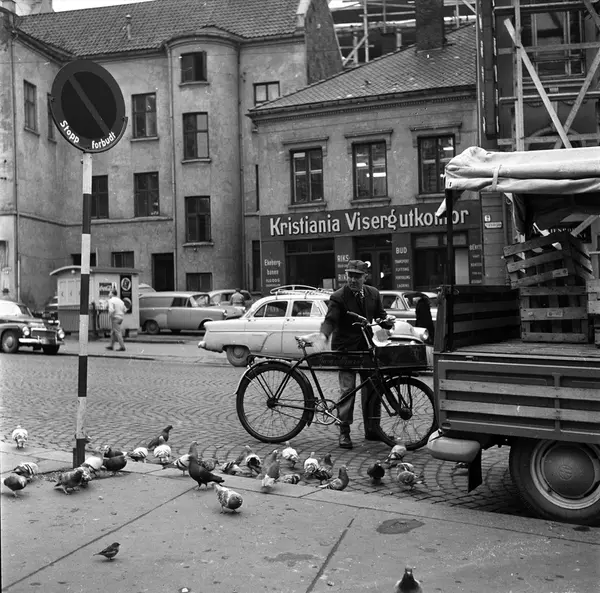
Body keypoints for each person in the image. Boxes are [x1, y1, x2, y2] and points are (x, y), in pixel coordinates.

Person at [317, 260, 395, 449]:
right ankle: (344, 432)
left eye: (357, 276)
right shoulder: (338, 296)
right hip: (346, 350)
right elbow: (331, 320)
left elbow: (380, 315)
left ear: (365, 277)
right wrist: (323, 334)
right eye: (350, 275)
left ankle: (372, 429)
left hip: (366, 348)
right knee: (348, 390)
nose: (352, 280)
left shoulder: (373, 293)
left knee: (373, 388)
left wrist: (387, 321)